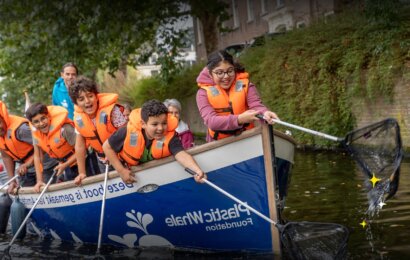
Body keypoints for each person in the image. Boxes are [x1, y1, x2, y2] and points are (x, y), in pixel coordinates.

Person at [103, 99, 206, 184]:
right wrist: (121, 171)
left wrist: (197, 170)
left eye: (164, 123)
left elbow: (181, 154)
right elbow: (106, 147)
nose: (160, 128)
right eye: (155, 124)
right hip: (133, 177)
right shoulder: (126, 132)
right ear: (143, 124)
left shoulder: (171, 136)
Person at [196, 50, 279, 142]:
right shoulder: (202, 93)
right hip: (218, 142)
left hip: (247, 137)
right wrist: (239, 119)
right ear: (210, 74)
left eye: (230, 71)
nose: (226, 76)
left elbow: (256, 105)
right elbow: (211, 121)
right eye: (220, 73)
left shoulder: (246, 85)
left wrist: (265, 113)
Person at [69, 76, 127, 185]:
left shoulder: (112, 111)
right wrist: (82, 173)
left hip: (123, 157)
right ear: (76, 103)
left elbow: (126, 134)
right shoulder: (79, 119)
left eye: (90, 96)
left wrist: (112, 155)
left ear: (96, 96)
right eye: (81, 99)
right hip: (103, 161)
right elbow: (80, 147)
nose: (87, 101)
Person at [25, 103, 78, 193]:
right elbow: (38, 158)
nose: (41, 123)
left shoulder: (65, 128)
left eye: (43, 118)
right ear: (32, 124)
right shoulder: (36, 135)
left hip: (82, 162)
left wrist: (65, 164)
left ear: (48, 116)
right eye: (36, 122)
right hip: (64, 166)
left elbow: (83, 150)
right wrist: (39, 181)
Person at [0, 101, 36, 193]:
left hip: (46, 165)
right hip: (25, 170)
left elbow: (43, 146)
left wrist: (28, 163)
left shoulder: (21, 129)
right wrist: (12, 180)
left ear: (3, 117)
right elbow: (6, 156)